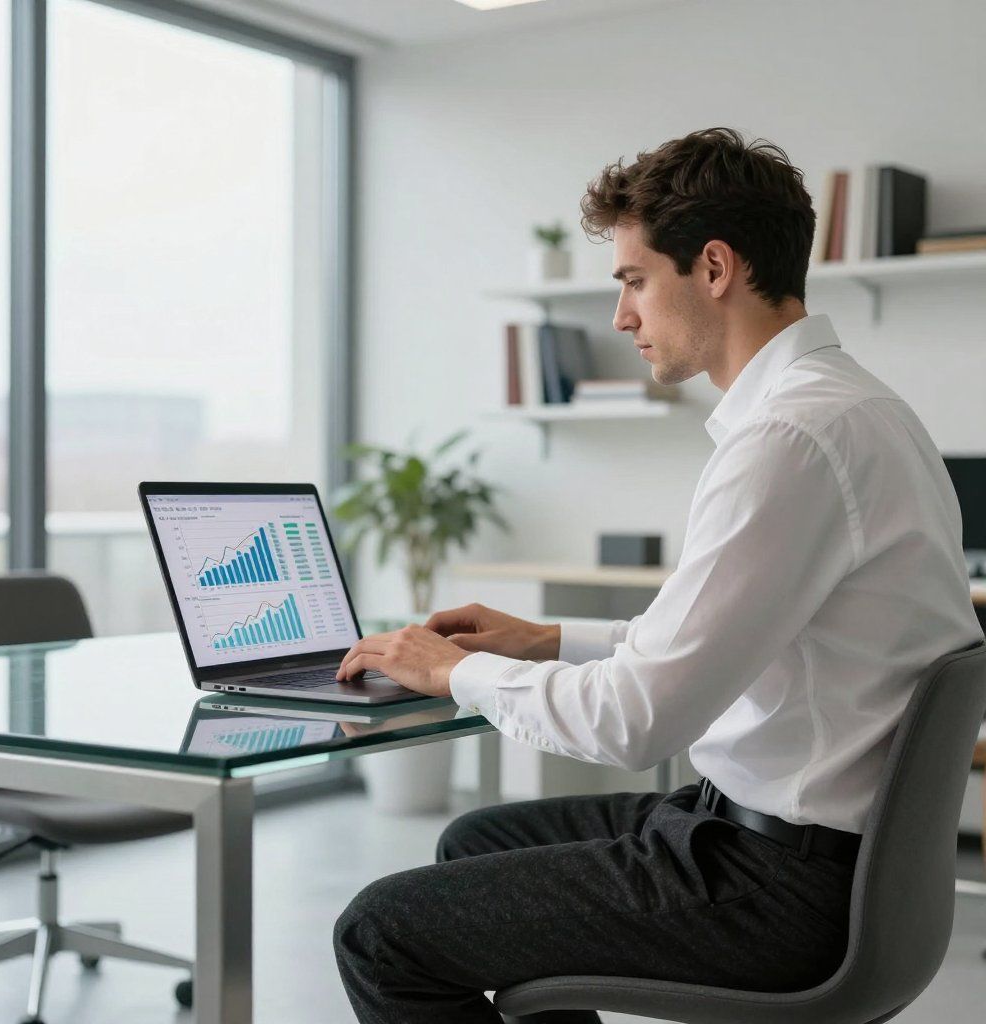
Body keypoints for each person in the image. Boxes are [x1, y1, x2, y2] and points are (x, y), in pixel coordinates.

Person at [332, 127, 983, 1024]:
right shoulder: (860, 410)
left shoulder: (788, 441)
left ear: (714, 268)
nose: (622, 317)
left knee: (380, 933)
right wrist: (546, 639)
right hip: (805, 847)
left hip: (777, 886)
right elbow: (721, 642)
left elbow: (638, 720)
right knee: (474, 839)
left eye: (635, 280)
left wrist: (454, 672)